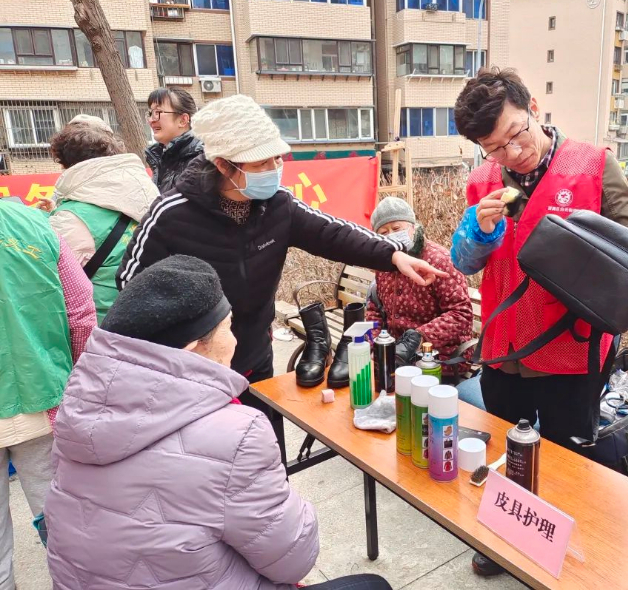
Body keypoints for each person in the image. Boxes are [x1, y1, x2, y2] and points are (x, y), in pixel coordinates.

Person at [116, 95, 444, 457]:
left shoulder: (278, 205)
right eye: (262, 162)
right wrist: (184, 336)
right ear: (223, 165)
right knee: (212, 461)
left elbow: (332, 232)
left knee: (265, 451)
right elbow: (130, 283)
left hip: (256, 356)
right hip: (196, 368)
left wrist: (392, 254)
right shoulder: (171, 213)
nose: (275, 167)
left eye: (277, 157)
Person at [45, 255, 392, 590]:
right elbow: (295, 559)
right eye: (228, 328)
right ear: (194, 347)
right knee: (374, 585)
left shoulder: (79, 413)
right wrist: (288, 504)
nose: (235, 340)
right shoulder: (235, 435)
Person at [451, 68, 628, 576]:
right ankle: (509, 535)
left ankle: (564, 551)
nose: (512, 153)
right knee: (507, 448)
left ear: (533, 108)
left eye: (516, 134)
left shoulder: (595, 166)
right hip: (504, 348)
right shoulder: (482, 182)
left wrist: (574, 250)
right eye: (494, 148)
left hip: (572, 349)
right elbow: (465, 263)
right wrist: (479, 232)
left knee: (568, 459)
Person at [0, 198, 95, 590]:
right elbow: (80, 312)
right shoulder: (35, 224)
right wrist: (76, 380)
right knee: (60, 520)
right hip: (42, 397)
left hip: (38, 395)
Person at [46, 120, 159, 323]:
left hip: (101, 325)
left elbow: (50, 281)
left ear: (69, 165)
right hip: (149, 314)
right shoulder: (148, 195)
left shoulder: (71, 218)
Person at [358, 197, 473, 385]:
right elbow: (374, 309)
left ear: (412, 226)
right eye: (384, 232)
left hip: (440, 357)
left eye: (396, 228)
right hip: (396, 353)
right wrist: (375, 344)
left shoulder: (439, 260)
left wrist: (418, 338)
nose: (391, 235)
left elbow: (461, 314)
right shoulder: (384, 262)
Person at [145, 87, 203, 194]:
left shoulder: (200, 159)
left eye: (158, 112)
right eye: (150, 113)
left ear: (183, 120)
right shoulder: (160, 157)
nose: (151, 120)